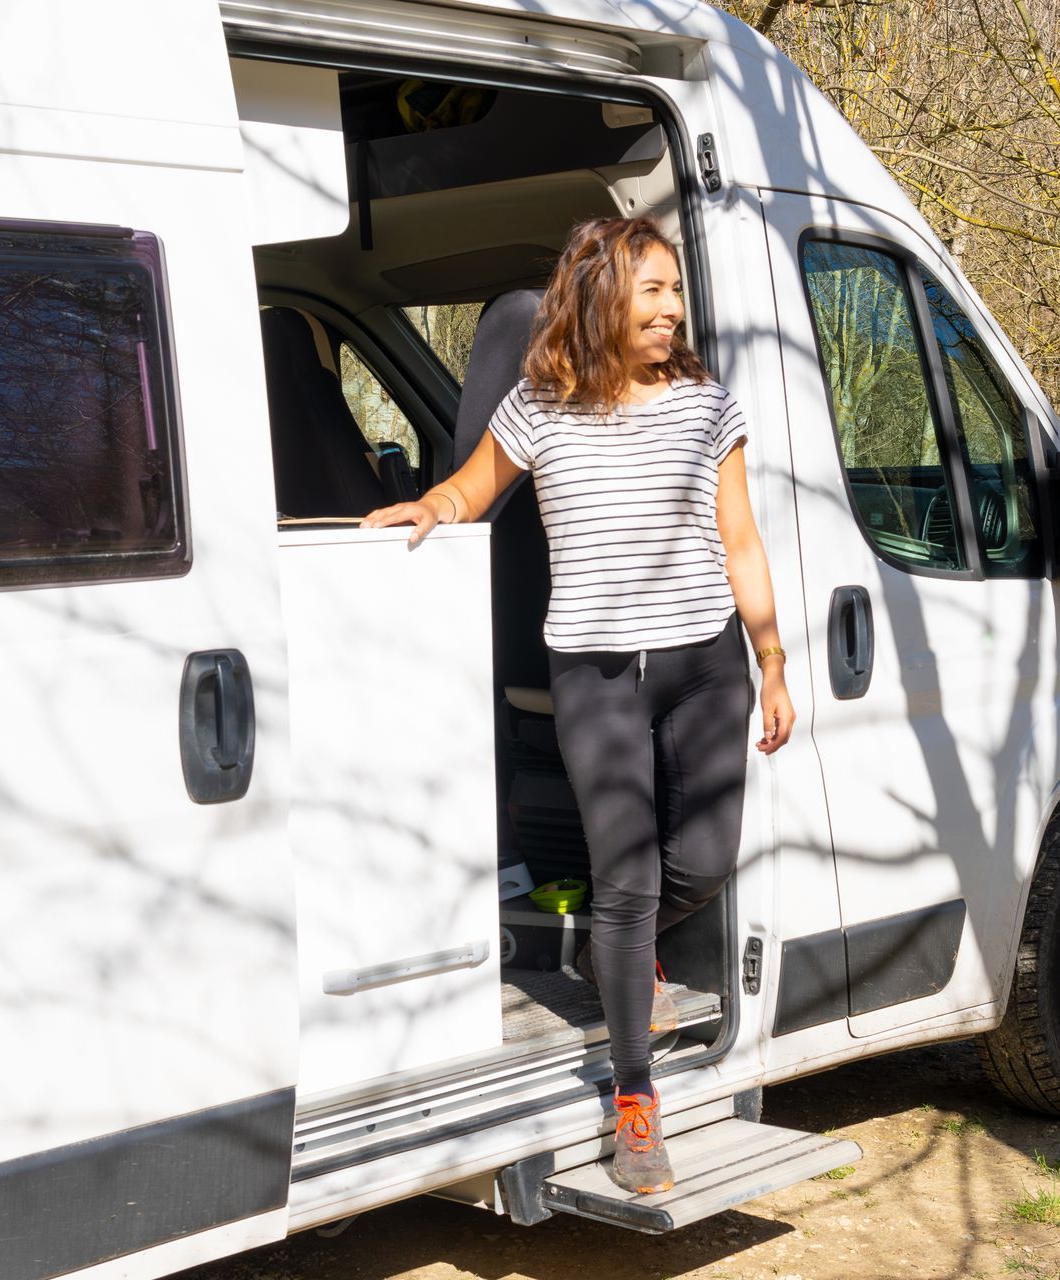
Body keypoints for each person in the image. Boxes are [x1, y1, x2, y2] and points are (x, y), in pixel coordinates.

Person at [362, 216, 793, 1195]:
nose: (672, 307)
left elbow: (743, 542)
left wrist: (770, 657)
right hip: (594, 674)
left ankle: (616, 949)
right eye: (653, 291)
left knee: (703, 859)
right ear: (602, 296)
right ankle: (635, 1104)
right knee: (628, 879)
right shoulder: (541, 404)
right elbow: (475, 488)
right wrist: (427, 508)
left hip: (704, 663)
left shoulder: (703, 402)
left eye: (674, 291)